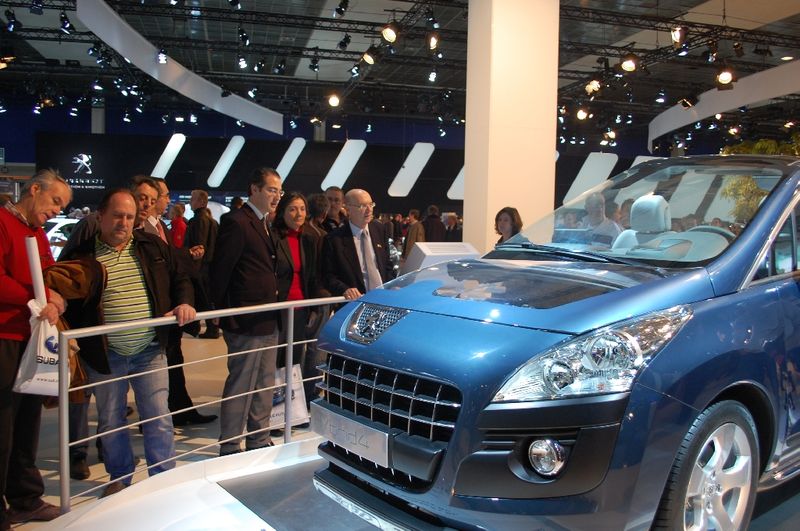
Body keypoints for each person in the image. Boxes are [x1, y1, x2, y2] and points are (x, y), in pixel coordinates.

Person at [60, 188, 196, 497]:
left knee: (158, 417)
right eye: (117, 216)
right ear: (100, 217)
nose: (124, 222)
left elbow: (181, 277)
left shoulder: (152, 246)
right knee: (111, 421)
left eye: (129, 217)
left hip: (150, 349)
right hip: (105, 354)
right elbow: (62, 287)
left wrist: (184, 302)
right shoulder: (81, 255)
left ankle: (163, 481)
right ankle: (120, 480)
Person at [0, 169, 70, 528]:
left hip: (31, 337)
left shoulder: (37, 233)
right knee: (4, 424)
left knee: (28, 423)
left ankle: (25, 498)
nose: (57, 210)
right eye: (55, 201)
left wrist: (55, 298)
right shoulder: (3, 223)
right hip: (5, 337)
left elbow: (48, 276)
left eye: (62, 206)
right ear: (35, 189)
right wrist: (36, 297)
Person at [210, 167, 283, 455]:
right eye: (271, 190)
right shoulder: (237, 222)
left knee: (265, 384)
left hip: (269, 318)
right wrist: (218, 312)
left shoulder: (266, 224)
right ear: (254, 189)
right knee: (241, 384)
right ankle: (230, 445)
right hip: (245, 320)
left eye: (279, 192)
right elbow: (221, 270)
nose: (276, 197)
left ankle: (258, 439)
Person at [150, 179, 216, 427]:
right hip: (161, 310)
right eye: (165, 195)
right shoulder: (152, 227)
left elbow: (172, 261)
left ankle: (179, 409)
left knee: (173, 360)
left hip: (173, 304)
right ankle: (167, 413)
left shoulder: (167, 225)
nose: (168, 200)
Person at [273, 192, 322, 406]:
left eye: (302, 209)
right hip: (279, 309)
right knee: (276, 359)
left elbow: (312, 276)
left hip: (301, 308)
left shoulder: (308, 239)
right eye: (292, 209)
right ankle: (273, 409)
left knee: (294, 359)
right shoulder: (274, 237)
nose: (298, 214)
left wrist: (313, 308)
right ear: (282, 212)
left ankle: (291, 408)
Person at [322, 189, 392, 301]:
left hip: (384, 298)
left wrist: (392, 285)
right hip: (355, 301)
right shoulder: (334, 239)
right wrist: (344, 289)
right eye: (362, 206)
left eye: (371, 204)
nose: (369, 210)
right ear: (348, 209)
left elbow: (387, 264)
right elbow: (328, 276)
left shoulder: (379, 230)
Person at [185, 189, 219, 339]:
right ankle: (211, 327)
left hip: (200, 268)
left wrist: (193, 269)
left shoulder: (198, 220)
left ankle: (208, 328)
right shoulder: (212, 221)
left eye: (192, 199)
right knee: (207, 299)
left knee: (202, 298)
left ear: (201, 201)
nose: (190, 202)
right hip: (209, 268)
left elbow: (199, 246)